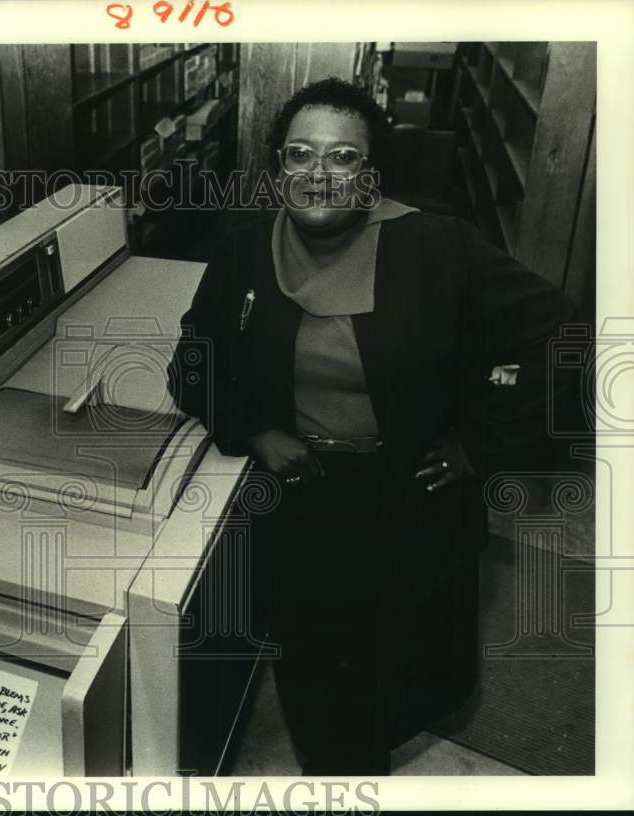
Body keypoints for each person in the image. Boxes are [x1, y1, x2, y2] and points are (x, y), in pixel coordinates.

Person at [166, 78, 581, 775]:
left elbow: (560, 330)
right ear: (276, 168)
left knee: (408, 661)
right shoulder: (242, 250)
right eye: (300, 154)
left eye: (343, 157)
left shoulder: (437, 247)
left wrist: (485, 444)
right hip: (299, 493)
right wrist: (253, 432)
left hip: (407, 494)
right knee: (314, 671)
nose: (318, 175)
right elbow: (191, 363)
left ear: (372, 174)